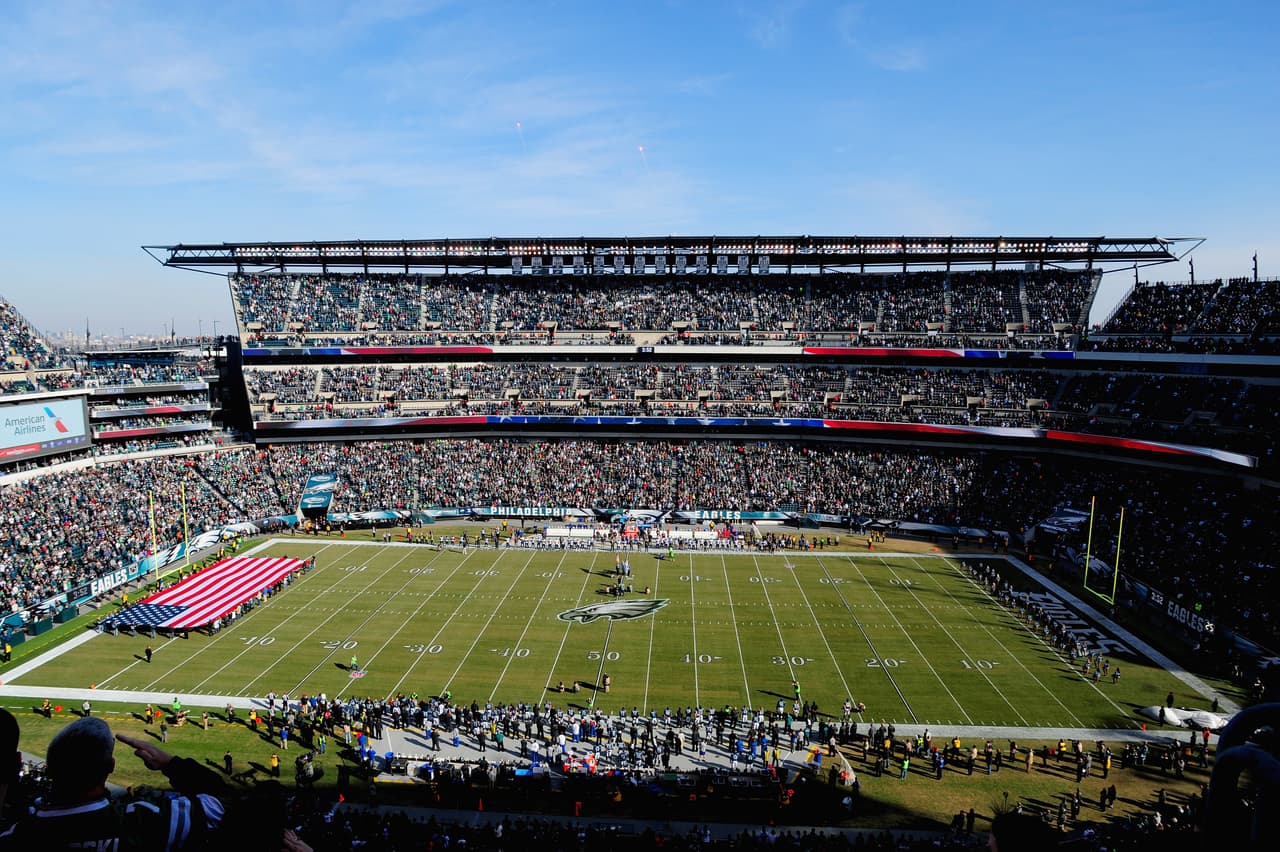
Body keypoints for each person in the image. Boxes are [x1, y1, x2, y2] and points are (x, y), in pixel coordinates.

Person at [0, 718, 225, 851]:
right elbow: (219, 803)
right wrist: (171, 764)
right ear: (111, 766)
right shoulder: (144, 821)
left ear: (49, 770)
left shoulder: (18, 835)